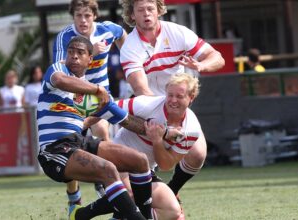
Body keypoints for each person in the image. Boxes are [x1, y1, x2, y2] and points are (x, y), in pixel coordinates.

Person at [38, 36, 162, 219]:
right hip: (55, 149)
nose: (73, 56)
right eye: (71, 51)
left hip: (79, 142)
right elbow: (59, 81)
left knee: (140, 161)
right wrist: (97, 89)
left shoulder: (97, 97)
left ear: (90, 59)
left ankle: (81, 215)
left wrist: (163, 132)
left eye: (80, 53)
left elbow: (127, 121)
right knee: (109, 170)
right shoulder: (59, 69)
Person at [120, 0, 225, 202]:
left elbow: (217, 57)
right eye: (140, 10)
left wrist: (200, 65)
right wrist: (161, 123)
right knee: (135, 173)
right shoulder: (130, 47)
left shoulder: (178, 32)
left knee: (198, 154)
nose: (146, 14)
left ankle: (172, 190)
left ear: (159, 10)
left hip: (176, 105)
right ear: (131, 15)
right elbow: (141, 88)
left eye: (150, 8)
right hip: (146, 107)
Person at [52, 0, 128, 209]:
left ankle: (105, 180)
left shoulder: (107, 30)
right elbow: (61, 72)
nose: (83, 20)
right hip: (73, 97)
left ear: (95, 15)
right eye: (78, 16)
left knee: (103, 130)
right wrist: (90, 52)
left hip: (100, 98)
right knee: (70, 148)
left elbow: (122, 34)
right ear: (73, 17)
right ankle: (73, 196)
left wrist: (128, 60)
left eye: (87, 15)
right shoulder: (65, 37)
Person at [111, 73, 201, 219]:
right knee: (130, 195)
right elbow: (110, 108)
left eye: (179, 96)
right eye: (170, 95)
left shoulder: (191, 129)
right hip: (117, 159)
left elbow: (166, 165)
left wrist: (157, 141)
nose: (173, 100)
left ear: (191, 98)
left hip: (143, 171)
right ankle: (83, 213)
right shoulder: (146, 104)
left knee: (173, 210)